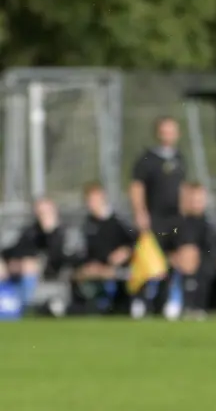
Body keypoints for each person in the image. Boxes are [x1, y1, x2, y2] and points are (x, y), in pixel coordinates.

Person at [128, 116, 186, 316]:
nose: (168, 135)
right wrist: (140, 212)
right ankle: (141, 301)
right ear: (158, 133)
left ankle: (168, 301)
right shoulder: (147, 158)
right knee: (150, 259)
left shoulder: (179, 158)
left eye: (172, 131)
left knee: (174, 260)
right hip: (154, 218)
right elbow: (137, 186)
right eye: (165, 131)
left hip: (175, 219)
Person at [73, 183, 139, 314]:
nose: (92, 204)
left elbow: (135, 242)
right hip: (94, 268)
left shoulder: (118, 222)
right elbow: (82, 251)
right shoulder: (87, 225)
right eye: (89, 201)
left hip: (117, 269)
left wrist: (125, 252)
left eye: (95, 200)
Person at [1, 197, 66, 310]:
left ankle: (24, 306)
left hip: (47, 271)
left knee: (28, 266)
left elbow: (56, 256)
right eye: (39, 212)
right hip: (18, 266)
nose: (42, 215)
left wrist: (49, 233)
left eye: (45, 212)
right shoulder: (31, 230)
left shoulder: (60, 231)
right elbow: (17, 249)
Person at [170, 183, 216, 317]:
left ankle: (195, 306)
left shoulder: (208, 226)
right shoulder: (178, 224)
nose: (196, 204)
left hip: (202, 269)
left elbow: (211, 249)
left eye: (199, 200)